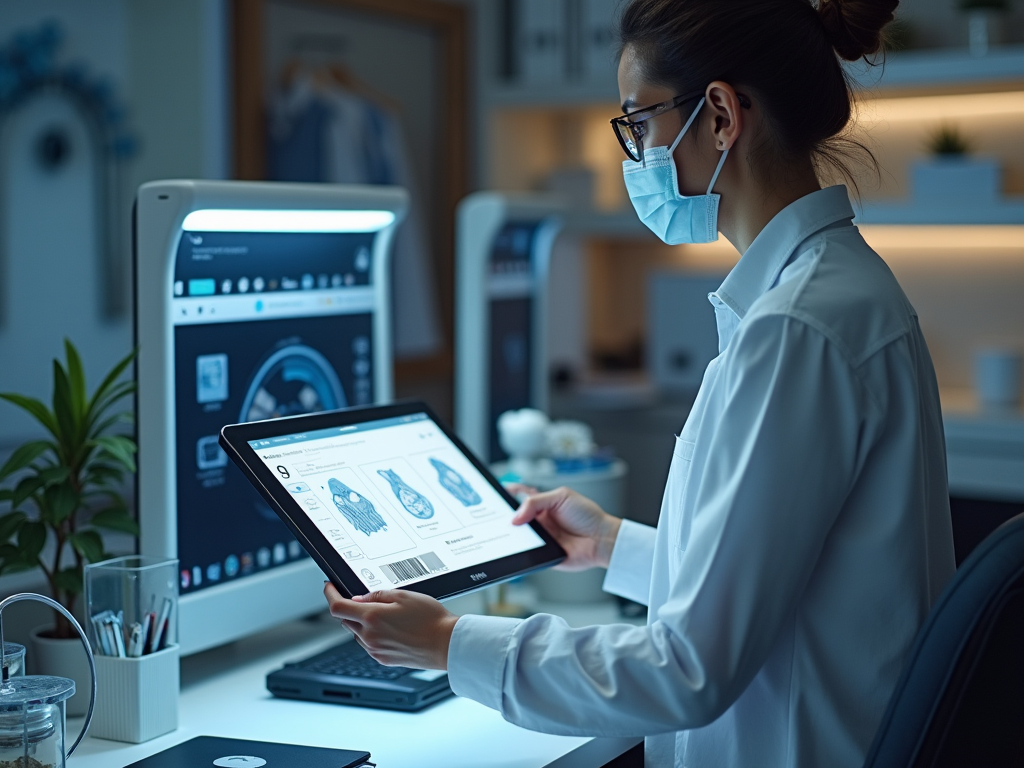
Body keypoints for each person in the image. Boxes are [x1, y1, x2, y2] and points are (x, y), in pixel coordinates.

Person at [324, 0, 956, 765]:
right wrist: (612, 546)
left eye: (639, 125)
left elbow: (688, 670)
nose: (636, 158)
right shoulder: (840, 291)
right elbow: (775, 581)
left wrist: (448, 643)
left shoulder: (797, 330)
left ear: (721, 116)